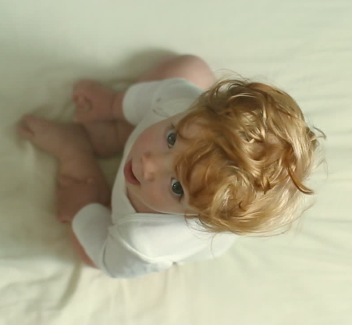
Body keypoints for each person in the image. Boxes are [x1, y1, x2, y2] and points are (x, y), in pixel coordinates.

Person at [19, 54, 323, 278]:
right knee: (190, 69)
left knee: (90, 253)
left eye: (176, 186)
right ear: (201, 109)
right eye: (172, 138)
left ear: (196, 216)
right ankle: (110, 136)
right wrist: (113, 104)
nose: (148, 163)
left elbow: (111, 261)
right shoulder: (184, 104)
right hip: (157, 130)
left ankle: (77, 154)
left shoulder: (145, 240)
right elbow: (158, 95)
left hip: (118, 219)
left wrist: (83, 211)